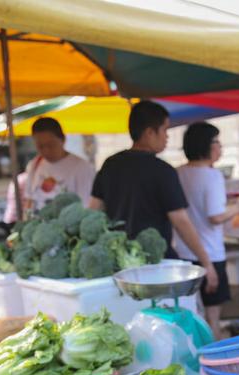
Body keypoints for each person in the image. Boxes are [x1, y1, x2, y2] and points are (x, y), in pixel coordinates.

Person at [90, 100, 219, 293]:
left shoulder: (109, 165)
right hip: (157, 268)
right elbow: (181, 221)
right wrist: (206, 262)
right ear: (150, 133)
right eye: (165, 130)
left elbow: (93, 211)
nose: (167, 137)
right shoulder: (163, 171)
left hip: (119, 267)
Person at [175, 122, 239, 338]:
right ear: (205, 145)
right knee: (212, 318)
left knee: (191, 314)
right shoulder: (212, 176)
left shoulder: (178, 173)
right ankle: (212, 357)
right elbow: (216, 216)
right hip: (210, 254)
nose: (220, 147)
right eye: (217, 142)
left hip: (183, 253)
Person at [5, 117, 95, 222]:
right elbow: (29, 200)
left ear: (63, 139)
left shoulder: (82, 167)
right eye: (40, 146)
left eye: (51, 145)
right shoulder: (34, 164)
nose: (46, 150)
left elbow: (87, 207)